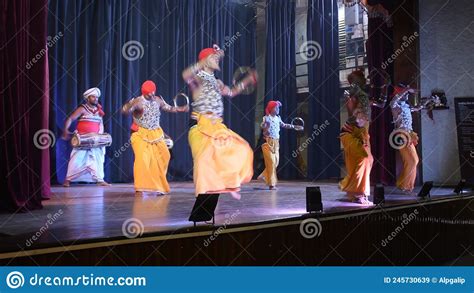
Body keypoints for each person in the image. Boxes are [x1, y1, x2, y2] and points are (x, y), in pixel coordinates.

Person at [182, 45, 257, 199]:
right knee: (203, 159)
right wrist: (203, 61)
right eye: (213, 58)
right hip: (199, 125)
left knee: (240, 149)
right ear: (204, 60)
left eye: (217, 58)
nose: (218, 59)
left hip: (217, 126)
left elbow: (231, 92)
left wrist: (247, 80)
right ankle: (203, 198)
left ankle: (230, 183)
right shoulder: (198, 78)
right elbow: (186, 74)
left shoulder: (218, 82)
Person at [122, 80, 188, 196]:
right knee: (143, 159)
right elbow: (125, 111)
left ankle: (158, 184)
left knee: (165, 156)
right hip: (140, 134)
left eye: (153, 93)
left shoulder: (157, 100)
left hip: (156, 133)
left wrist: (180, 109)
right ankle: (141, 186)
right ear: (144, 93)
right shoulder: (138, 102)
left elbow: (168, 108)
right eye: (149, 94)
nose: (152, 95)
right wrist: (129, 106)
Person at [62, 87, 110, 187]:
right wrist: (66, 130)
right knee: (76, 159)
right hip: (82, 139)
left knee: (97, 159)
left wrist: (101, 137)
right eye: (93, 97)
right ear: (88, 98)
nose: (96, 99)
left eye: (97, 97)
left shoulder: (99, 111)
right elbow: (70, 119)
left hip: (95, 140)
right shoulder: (82, 109)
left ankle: (99, 180)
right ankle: (68, 180)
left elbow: (100, 124)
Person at [339, 70, 374, 205]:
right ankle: (359, 194)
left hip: (362, 132)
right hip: (352, 132)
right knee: (364, 159)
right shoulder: (355, 94)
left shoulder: (362, 96)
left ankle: (355, 193)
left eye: (357, 80)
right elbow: (354, 116)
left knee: (367, 160)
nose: (355, 83)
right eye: (353, 81)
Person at [258, 100, 303, 189]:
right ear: (271, 109)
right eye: (276, 107)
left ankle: (263, 175)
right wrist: (265, 126)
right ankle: (272, 184)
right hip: (268, 142)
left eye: (278, 107)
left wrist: (294, 127)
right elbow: (262, 125)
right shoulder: (266, 118)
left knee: (276, 162)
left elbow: (284, 125)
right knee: (271, 162)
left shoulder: (278, 118)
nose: (278, 109)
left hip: (276, 143)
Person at [390, 84, 421, 193]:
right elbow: (393, 101)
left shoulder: (406, 106)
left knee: (414, 160)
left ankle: (403, 184)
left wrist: (429, 101)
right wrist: (407, 89)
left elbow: (417, 108)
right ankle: (406, 186)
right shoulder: (395, 105)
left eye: (407, 94)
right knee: (412, 161)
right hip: (401, 135)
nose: (406, 96)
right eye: (404, 93)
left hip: (409, 134)